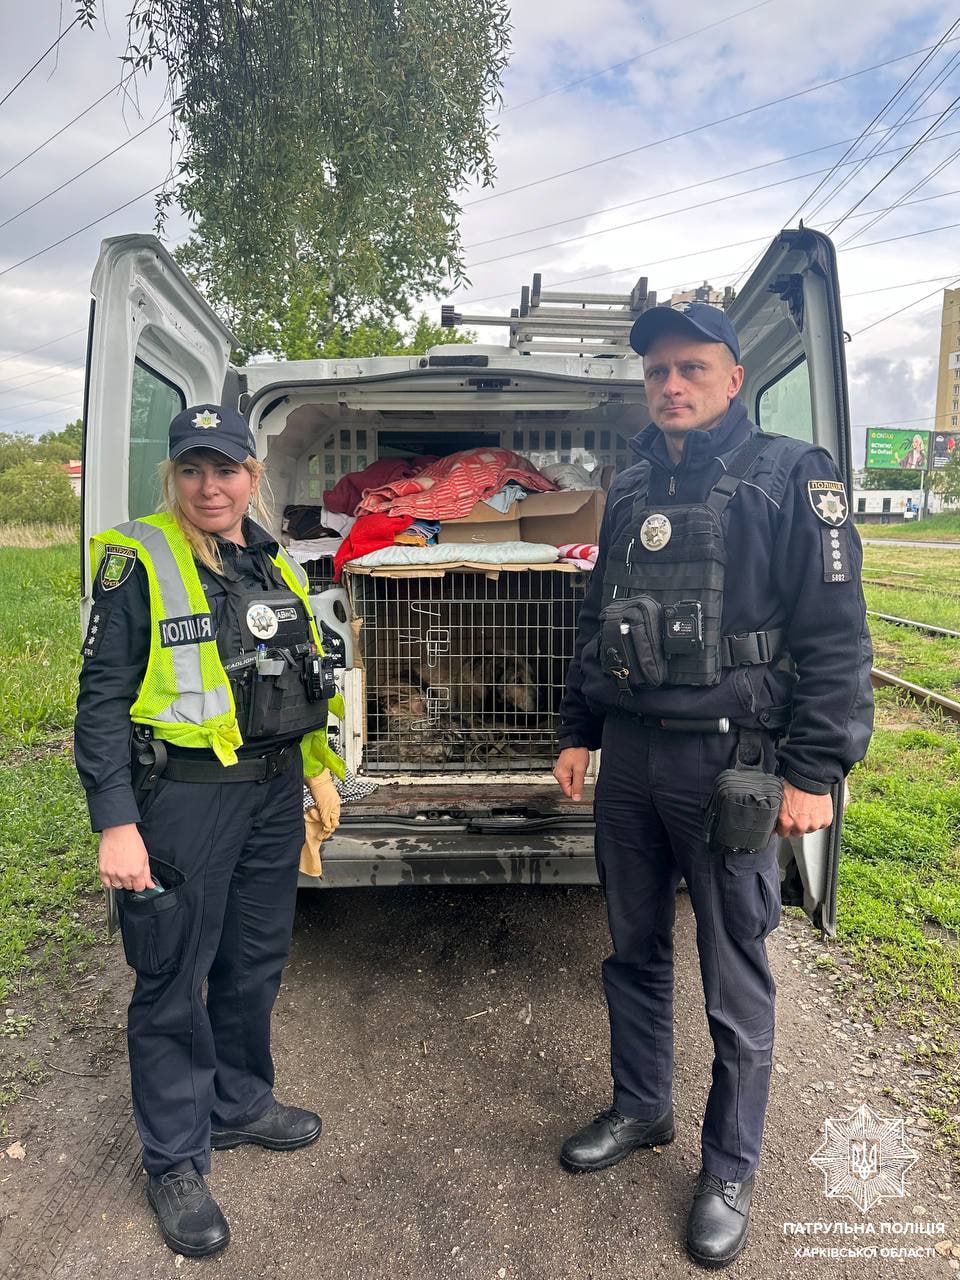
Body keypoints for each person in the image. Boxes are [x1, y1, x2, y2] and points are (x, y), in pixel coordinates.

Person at [552, 304, 873, 1269]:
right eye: (657, 372)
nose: (671, 385)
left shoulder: (793, 475)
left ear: (734, 379)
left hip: (731, 764)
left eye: (691, 368)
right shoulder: (631, 484)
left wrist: (814, 772)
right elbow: (597, 617)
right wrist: (577, 731)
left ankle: (729, 1168)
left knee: (734, 975)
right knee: (633, 951)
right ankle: (642, 1107)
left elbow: (837, 640)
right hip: (631, 759)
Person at [75, 404, 344, 1258]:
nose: (209, 487)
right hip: (185, 800)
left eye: (225, 469)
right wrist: (116, 822)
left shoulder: (272, 557)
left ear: (251, 476)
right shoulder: (139, 559)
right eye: (191, 470)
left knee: (252, 960)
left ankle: (239, 1103)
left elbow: (298, 677)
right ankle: (175, 1162)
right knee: (171, 978)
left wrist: (315, 765)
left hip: (270, 795)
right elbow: (100, 703)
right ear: (173, 476)